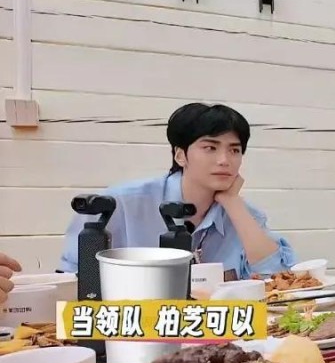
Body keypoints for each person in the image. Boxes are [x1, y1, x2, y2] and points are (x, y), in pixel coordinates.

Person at [59, 103, 296, 279]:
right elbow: (73, 279)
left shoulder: (245, 217)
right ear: (180, 155)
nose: (224, 160)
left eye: (234, 150)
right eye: (210, 148)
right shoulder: (119, 204)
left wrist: (233, 203)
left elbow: (280, 282)